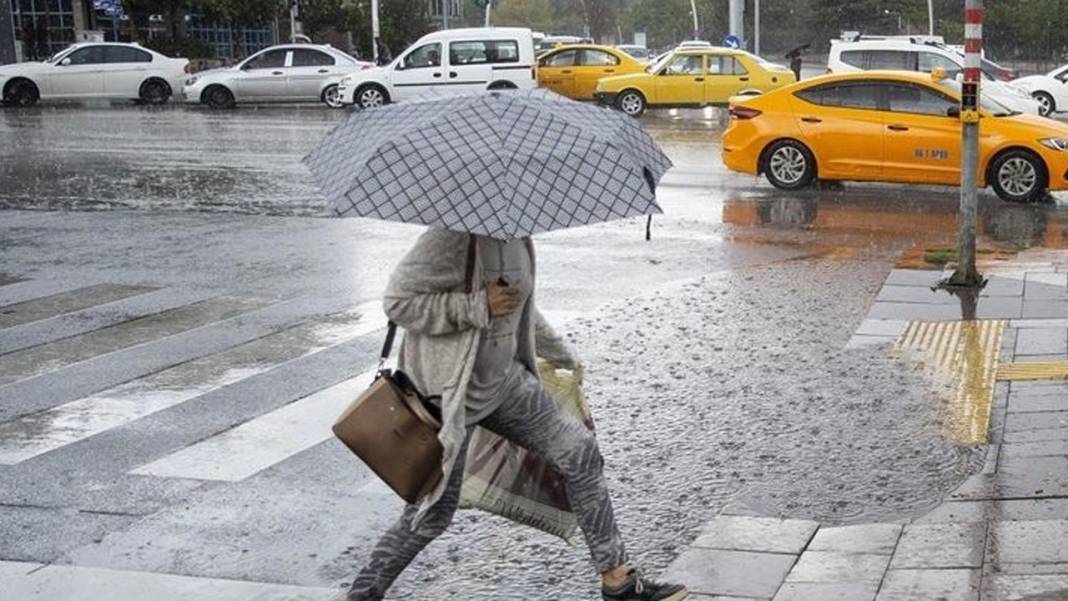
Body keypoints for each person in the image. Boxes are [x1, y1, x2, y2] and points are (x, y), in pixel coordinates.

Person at [346, 229, 688, 601]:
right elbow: (398, 303)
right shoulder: (452, 238)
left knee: (580, 450)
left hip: (503, 382)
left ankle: (617, 578)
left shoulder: (518, 238)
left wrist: (561, 354)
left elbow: (521, 308)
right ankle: (360, 596)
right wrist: (477, 306)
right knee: (433, 514)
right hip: (449, 395)